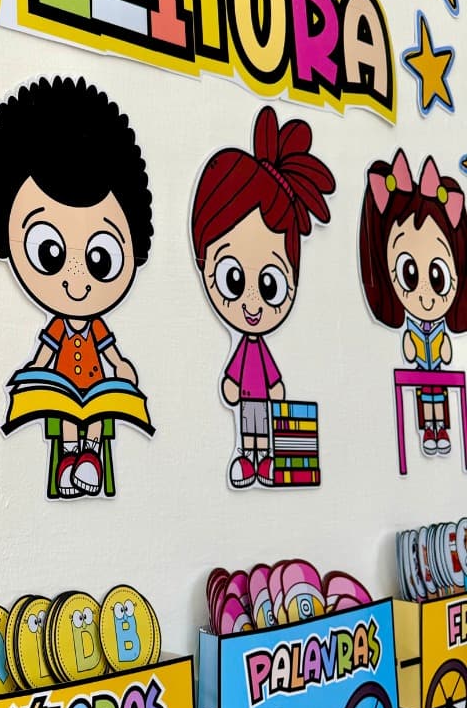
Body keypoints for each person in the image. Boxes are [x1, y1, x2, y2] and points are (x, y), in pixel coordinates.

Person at [0, 77, 154, 498]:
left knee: (97, 415)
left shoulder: (96, 328)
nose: (76, 280)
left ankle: (89, 457)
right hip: (60, 388)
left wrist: (122, 368)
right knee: (65, 418)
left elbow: (111, 353)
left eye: (99, 260)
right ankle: (71, 458)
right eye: (50, 253)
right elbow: (44, 353)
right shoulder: (59, 326)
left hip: (97, 387)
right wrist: (30, 373)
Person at [191, 105, 335, 488]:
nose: (253, 303)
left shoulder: (256, 348)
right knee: (249, 428)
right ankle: (248, 459)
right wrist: (232, 385)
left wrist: (274, 388)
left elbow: (270, 373)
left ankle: (263, 460)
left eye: (270, 286)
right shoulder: (244, 347)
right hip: (248, 398)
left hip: (258, 398)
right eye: (234, 280)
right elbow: (236, 371)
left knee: (261, 429)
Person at [359, 152, 467, 456]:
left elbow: (446, 351)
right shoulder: (411, 327)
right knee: (425, 398)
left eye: (437, 278)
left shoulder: (440, 328)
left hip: (439, 370)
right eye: (408, 274)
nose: (425, 296)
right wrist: (411, 345)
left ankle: (441, 428)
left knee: (438, 398)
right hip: (420, 368)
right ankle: (428, 427)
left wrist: (444, 350)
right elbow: (410, 349)